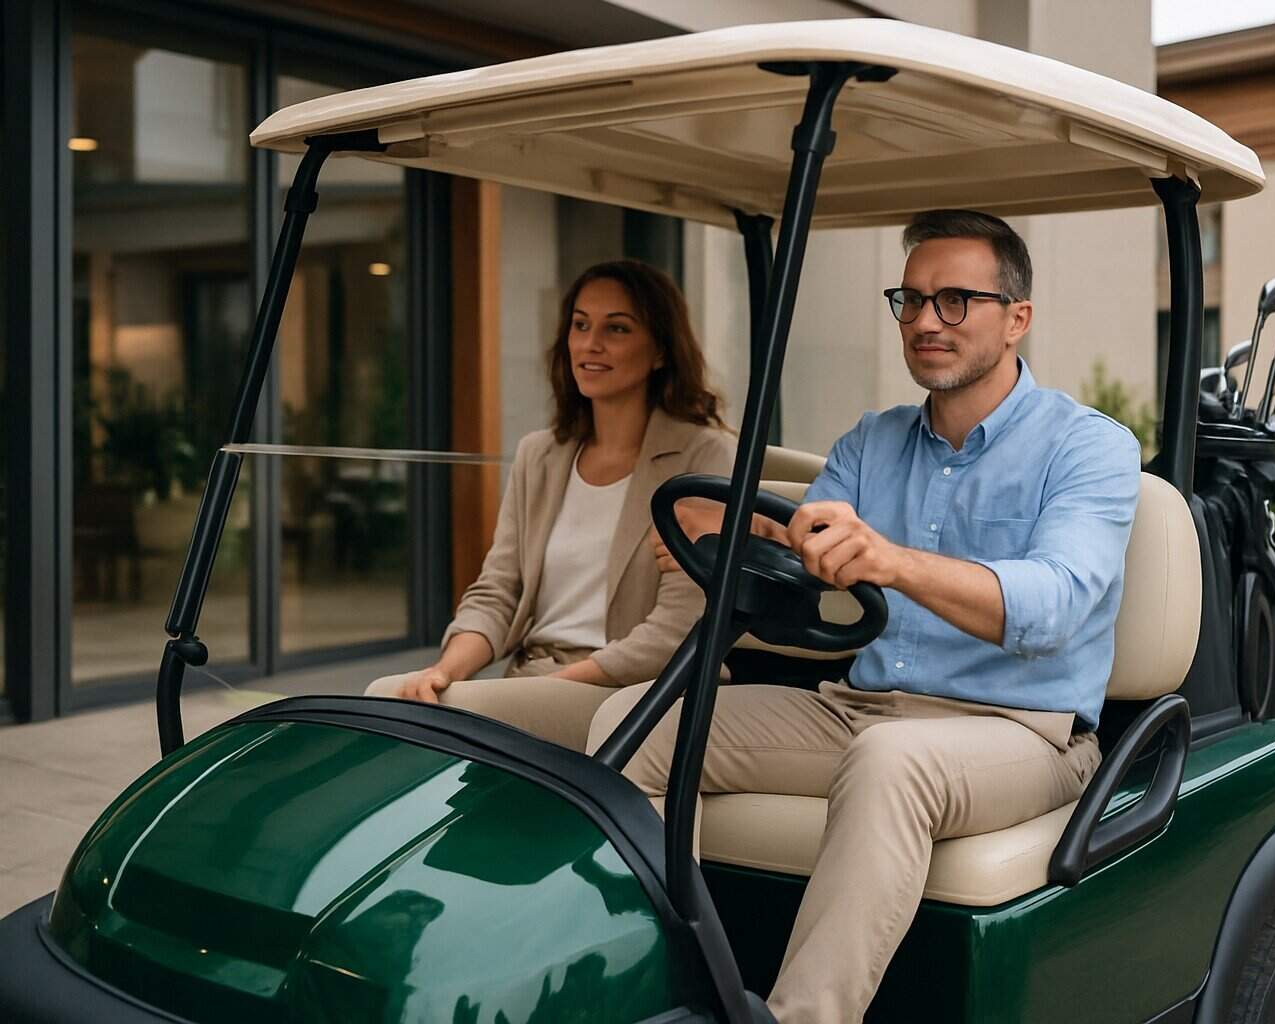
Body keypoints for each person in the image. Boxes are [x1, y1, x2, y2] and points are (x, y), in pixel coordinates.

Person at [590, 210, 1143, 1023]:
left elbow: (1054, 604)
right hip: (857, 710)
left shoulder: (1087, 447)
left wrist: (888, 560)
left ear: (1016, 318)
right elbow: (805, 561)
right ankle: (664, 993)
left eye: (955, 300)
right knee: (637, 724)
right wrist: (745, 540)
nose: (925, 321)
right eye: (911, 300)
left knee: (892, 761)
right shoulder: (870, 442)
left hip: (1020, 731)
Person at [366, 260, 735, 751]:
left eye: (616, 329)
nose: (590, 344)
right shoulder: (539, 455)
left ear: (661, 351)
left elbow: (678, 629)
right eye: (580, 325)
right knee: (389, 697)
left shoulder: (703, 456)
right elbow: (497, 592)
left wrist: (545, 689)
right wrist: (443, 671)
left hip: (631, 690)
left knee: (454, 714)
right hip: (533, 674)